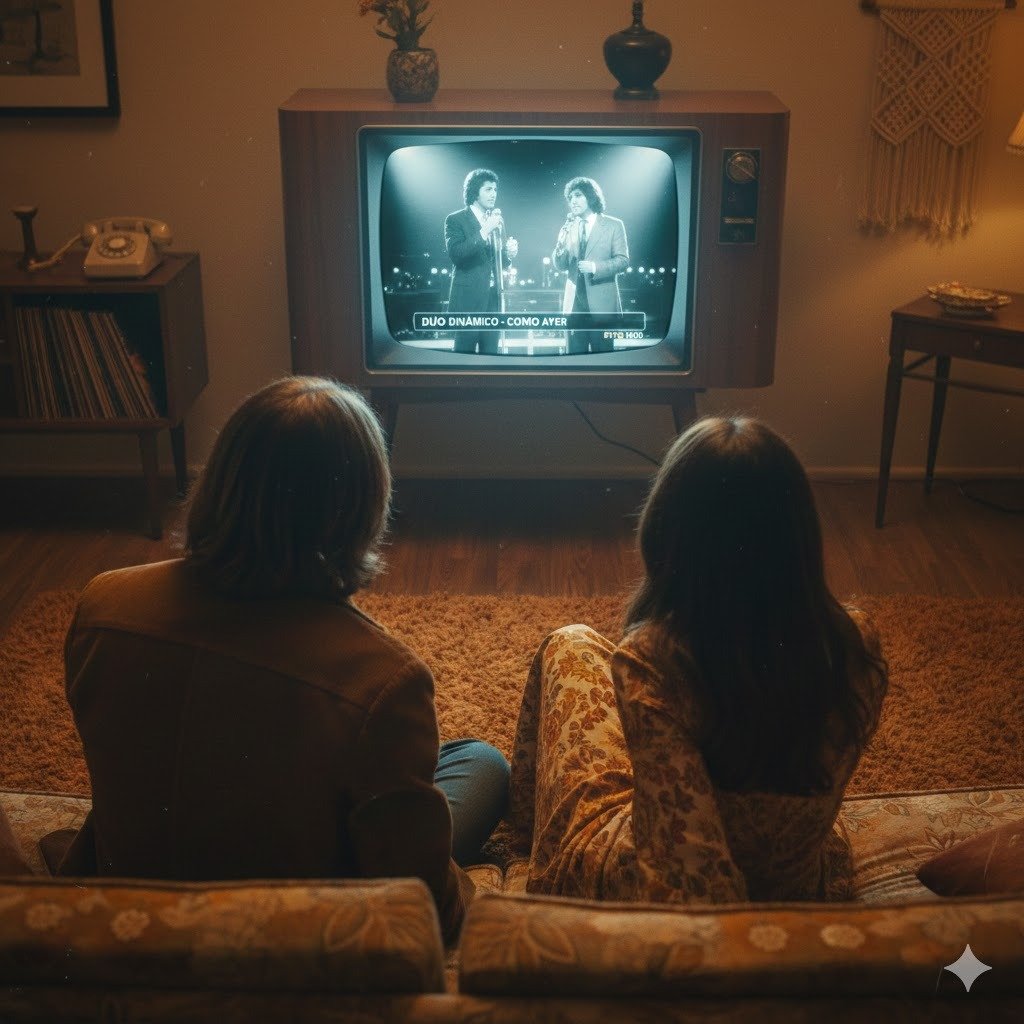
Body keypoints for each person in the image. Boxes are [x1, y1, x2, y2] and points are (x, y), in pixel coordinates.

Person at [52, 376, 509, 943]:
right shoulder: (382, 680)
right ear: (360, 509)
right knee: (483, 762)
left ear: (220, 482)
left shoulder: (103, 603)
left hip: (133, 895)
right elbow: (422, 900)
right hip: (295, 933)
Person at [507, 416, 888, 904]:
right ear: (800, 534)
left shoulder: (651, 661)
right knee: (589, 653)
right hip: (796, 880)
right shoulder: (856, 642)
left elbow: (692, 880)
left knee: (571, 642)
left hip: (654, 886)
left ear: (667, 530)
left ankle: (521, 837)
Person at [444, 168, 518, 355]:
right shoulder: (455, 219)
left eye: (495, 189)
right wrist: (484, 231)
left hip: (493, 299)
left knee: (491, 354)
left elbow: (499, 261)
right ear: (474, 191)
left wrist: (509, 254)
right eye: (488, 189)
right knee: (464, 354)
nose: (494, 194)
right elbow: (457, 254)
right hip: (468, 300)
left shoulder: (496, 221)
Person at [552, 176, 629, 354]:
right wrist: (560, 244)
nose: (573, 201)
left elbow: (623, 261)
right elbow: (560, 265)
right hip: (574, 308)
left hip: (602, 309)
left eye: (578, 196)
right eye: (570, 198)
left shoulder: (614, 225)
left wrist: (595, 267)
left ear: (591, 196)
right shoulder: (569, 226)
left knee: (602, 366)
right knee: (572, 364)